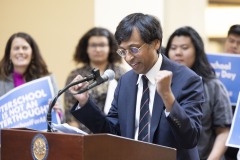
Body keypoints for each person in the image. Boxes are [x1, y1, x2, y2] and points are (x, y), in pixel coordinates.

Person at [68, 13, 204, 160]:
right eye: (123, 51)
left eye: (134, 49)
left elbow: (190, 138)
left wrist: (167, 97)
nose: (128, 58)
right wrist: (84, 103)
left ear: (156, 43)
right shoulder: (125, 81)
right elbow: (112, 133)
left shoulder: (187, 79)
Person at [165, 26, 233, 160]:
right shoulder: (163, 85)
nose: (178, 53)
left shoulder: (213, 86)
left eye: (184, 48)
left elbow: (223, 131)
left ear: (197, 51)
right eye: (173, 48)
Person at [64, 27, 126, 133]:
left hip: (115, 133)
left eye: (102, 45)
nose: (97, 49)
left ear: (110, 47)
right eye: (93, 45)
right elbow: (70, 114)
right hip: (83, 135)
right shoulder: (76, 75)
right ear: (86, 49)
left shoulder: (121, 73)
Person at [0, 32, 64, 119]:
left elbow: (62, 118)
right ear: (9, 55)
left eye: (25, 48)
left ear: (33, 54)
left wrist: (57, 113)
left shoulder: (48, 79)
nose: (21, 51)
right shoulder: (1, 80)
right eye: (16, 48)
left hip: (40, 132)